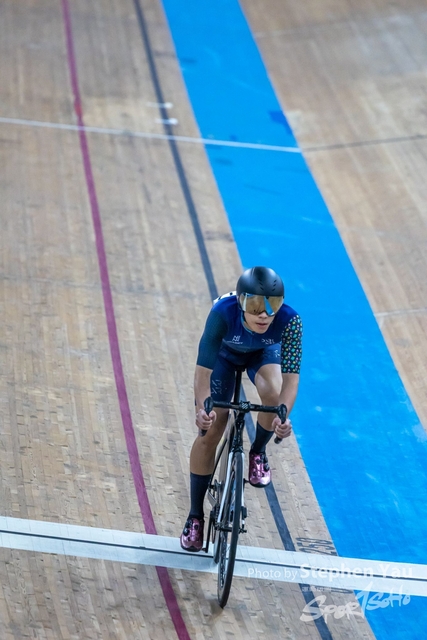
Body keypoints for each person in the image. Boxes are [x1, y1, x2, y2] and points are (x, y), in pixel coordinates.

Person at [180, 266, 303, 552]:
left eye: (273, 305)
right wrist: (203, 409)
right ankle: (195, 515)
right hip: (223, 357)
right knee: (211, 430)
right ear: (240, 302)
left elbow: (291, 381)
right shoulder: (222, 314)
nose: (264, 314)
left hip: (262, 354)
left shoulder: (291, 321)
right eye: (256, 305)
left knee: (272, 393)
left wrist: (283, 415)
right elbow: (202, 374)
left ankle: (258, 451)